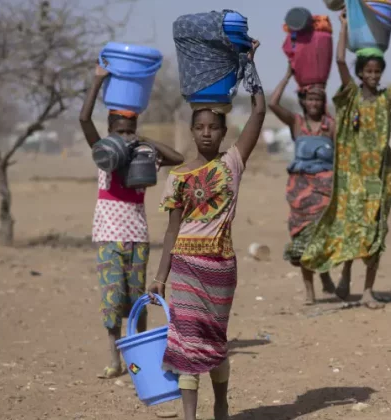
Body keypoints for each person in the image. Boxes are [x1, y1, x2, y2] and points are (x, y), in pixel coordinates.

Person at [149, 39, 264, 420]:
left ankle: (222, 402)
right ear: (192, 130)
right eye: (199, 127)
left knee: (214, 344)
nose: (206, 134)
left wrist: (249, 67)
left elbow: (259, 114)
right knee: (185, 344)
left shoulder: (232, 162)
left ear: (223, 131)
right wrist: (160, 277)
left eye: (213, 128)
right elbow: (171, 231)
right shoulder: (179, 177)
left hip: (220, 270)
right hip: (183, 267)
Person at [301, 13, 391, 309]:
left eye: (377, 71)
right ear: (361, 72)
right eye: (368, 70)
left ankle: (367, 290)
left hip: (379, 176)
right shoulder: (351, 96)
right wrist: (343, 27)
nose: (373, 75)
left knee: (375, 230)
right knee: (350, 226)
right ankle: (345, 273)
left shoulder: (387, 98)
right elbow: (341, 61)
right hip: (351, 175)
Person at [78, 64, 184, 380]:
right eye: (119, 132)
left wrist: (144, 141)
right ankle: (115, 361)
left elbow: (177, 158)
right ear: (109, 134)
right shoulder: (103, 155)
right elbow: (84, 119)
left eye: (129, 131)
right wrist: (98, 81)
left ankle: (138, 361)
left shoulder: (143, 156)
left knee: (137, 302)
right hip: (109, 237)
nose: (125, 138)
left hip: (137, 237)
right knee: (112, 301)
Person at [269, 67, 337, 304]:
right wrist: (288, 75)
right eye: (310, 98)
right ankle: (310, 289)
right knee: (302, 240)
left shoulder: (332, 126)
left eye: (318, 98)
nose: (314, 102)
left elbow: (343, 156)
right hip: (299, 193)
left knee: (322, 238)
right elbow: (273, 103)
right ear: (304, 101)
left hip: (325, 192)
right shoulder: (296, 123)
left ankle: (326, 274)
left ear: (323, 101)